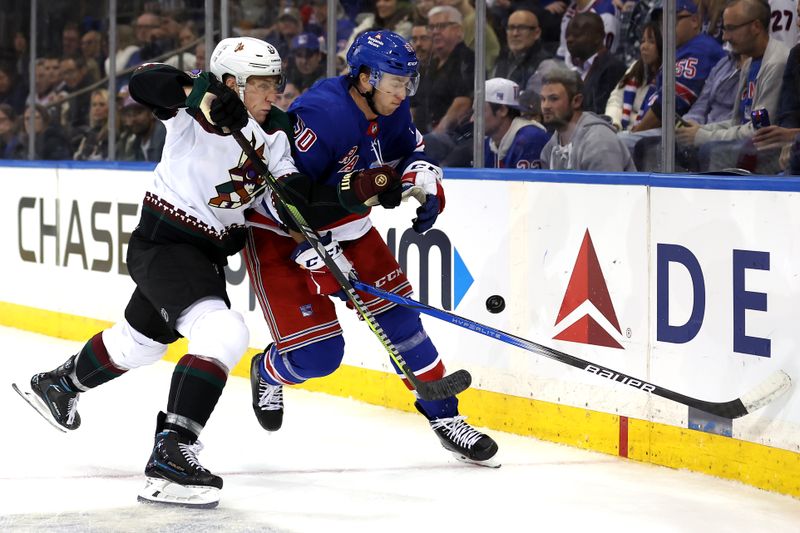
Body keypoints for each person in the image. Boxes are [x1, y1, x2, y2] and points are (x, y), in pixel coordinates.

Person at [12, 37, 308, 508]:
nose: (274, 93)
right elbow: (145, 81)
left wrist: (337, 204)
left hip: (203, 256)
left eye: (278, 82)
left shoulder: (275, 136)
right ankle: (173, 452)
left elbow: (291, 194)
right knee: (223, 332)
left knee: (140, 344)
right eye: (263, 84)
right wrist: (205, 97)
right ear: (232, 82)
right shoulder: (192, 112)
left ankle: (59, 384)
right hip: (165, 244)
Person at [244, 30, 499, 466]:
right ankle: (267, 369)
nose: (404, 93)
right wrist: (315, 253)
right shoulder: (321, 115)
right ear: (365, 78)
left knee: (402, 323)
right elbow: (281, 197)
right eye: (395, 83)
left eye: (408, 83)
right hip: (279, 236)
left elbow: (408, 151)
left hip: (348, 228)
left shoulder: (391, 107)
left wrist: (421, 177)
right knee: (316, 357)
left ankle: (445, 418)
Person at [676, 0, 789, 173]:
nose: (725, 37)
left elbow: (760, 132)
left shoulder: (777, 63)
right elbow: (738, 122)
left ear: (756, 27)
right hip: (748, 146)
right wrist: (700, 129)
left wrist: (702, 136)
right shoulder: (749, 62)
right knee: (676, 145)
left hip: (770, 153)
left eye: (731, 29)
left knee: (710, 151)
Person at [540, 67, 636, 170]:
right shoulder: (550, 148)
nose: (545, 106)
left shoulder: (599, 141)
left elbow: (608, 186)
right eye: (543, 99)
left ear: (576, 101)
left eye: (553, 99)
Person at [604, 20, 661, 132]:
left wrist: (630, 118)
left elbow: (654, 118)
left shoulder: (668, 74)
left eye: (651, 41)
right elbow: (616, 99)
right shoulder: (636, 67)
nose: (644, 46)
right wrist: (615, 124)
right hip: (620, 130)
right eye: (642, 41)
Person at [484, 77, 550, 168]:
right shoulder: (489, 142)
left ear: (503, 110)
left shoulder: (531, 140)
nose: (472, 119)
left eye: (481, 110)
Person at [491, 9, 553, 89]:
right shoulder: (501, 60)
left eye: (522, 28)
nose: (515, 33)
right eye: (511, 28)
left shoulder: (546, 65)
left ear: (537, 33)